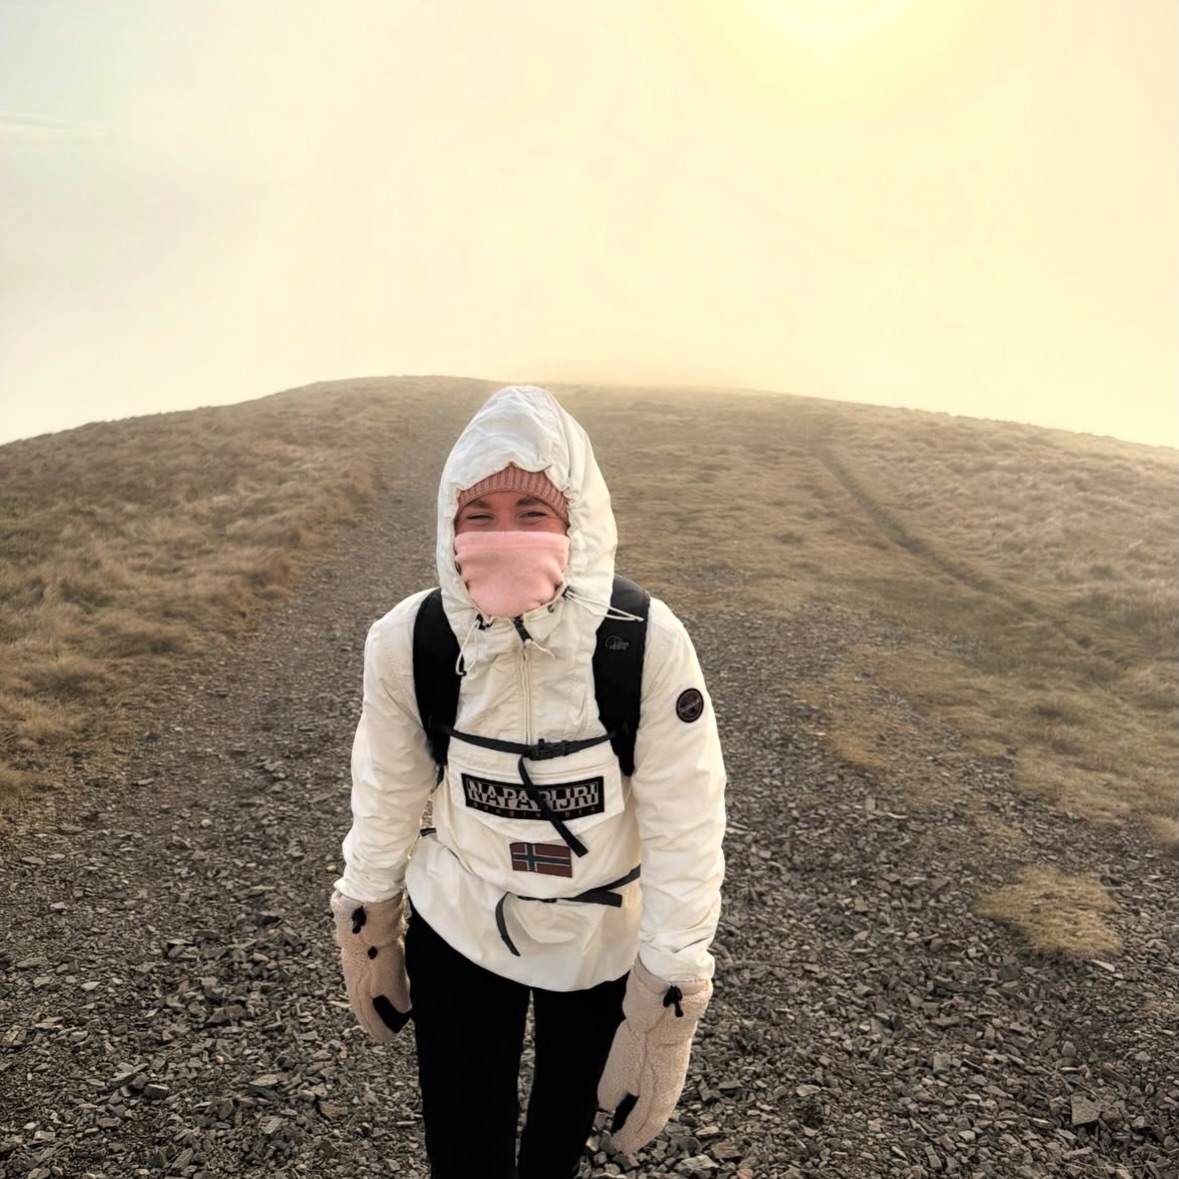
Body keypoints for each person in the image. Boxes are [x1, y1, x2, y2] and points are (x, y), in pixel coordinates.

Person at [331, 385, 726, 1179]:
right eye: (479, 516)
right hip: (460, 918)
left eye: (532, 512)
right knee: (462, 1141)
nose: (504, 534)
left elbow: (686, 814)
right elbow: (387, 784)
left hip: (600, 936)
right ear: (449, 530)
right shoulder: (407, 640)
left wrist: (668, 989)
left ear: (576, 524)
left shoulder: (644, 642)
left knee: (557, 1142)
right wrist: (368, 910)